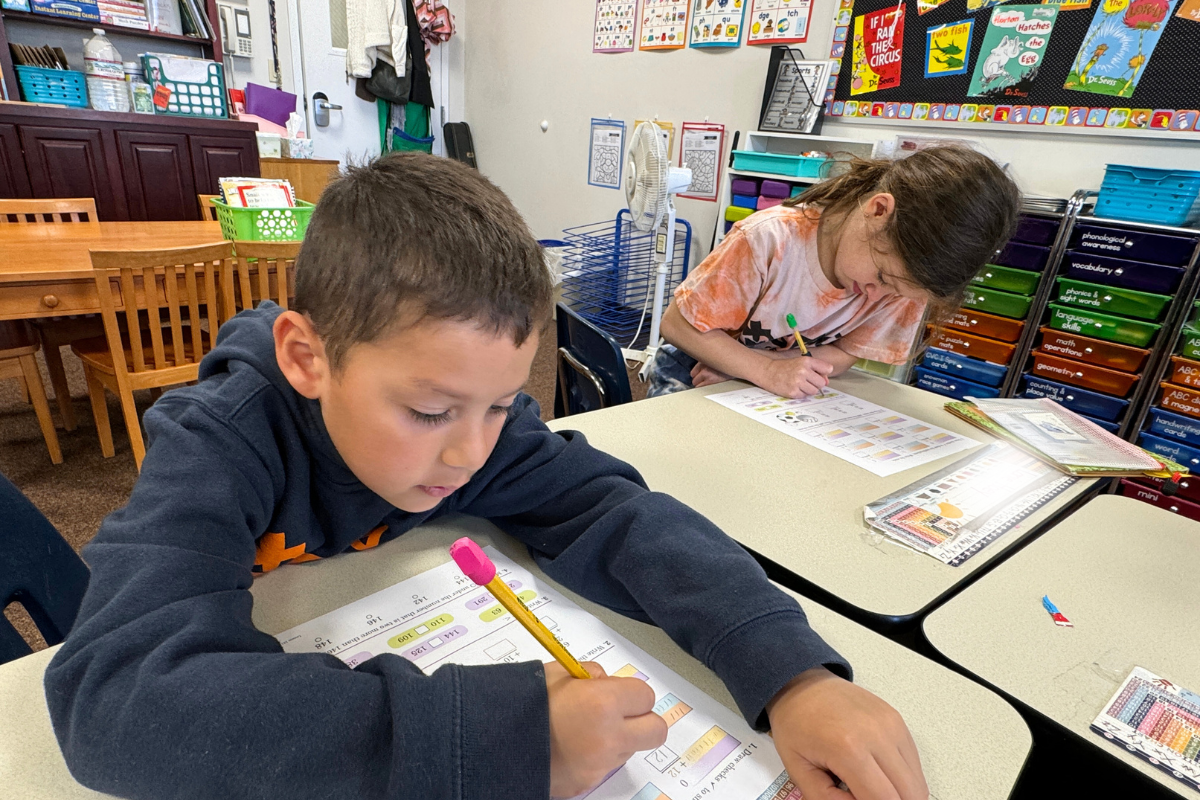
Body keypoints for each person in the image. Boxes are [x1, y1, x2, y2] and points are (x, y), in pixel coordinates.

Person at [45, 153, 926, 800]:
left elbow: (612, 510)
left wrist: (791, 674)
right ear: (308, 359)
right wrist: (502, 740)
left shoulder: (475, 426)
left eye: (503, 404)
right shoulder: (222, 439)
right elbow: (113, 698)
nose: (472, 452)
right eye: (429, 412)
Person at [646, 145, 1021, 399]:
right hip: (694, 364)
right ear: (877, 210)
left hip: (765, 381)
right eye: (882, 277)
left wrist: (762, 369)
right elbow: (678, 325)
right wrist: (762, 371)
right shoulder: (770, 239)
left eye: (896, 291)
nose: (876, 297)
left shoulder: (907, 281)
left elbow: (845, 352)